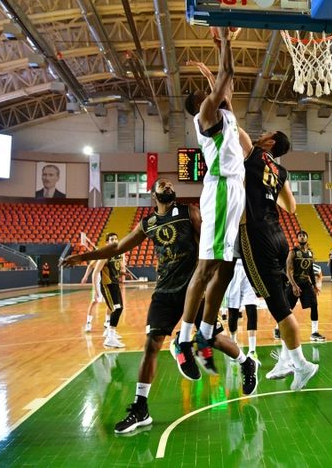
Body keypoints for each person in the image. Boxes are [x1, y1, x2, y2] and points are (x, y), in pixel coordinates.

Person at [61, 179, 259, 434]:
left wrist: (208, 283)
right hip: (164, 290)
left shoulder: (189, 212)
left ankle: (246, 362)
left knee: (215, 339)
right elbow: (119, 246)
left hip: (192, 289)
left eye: (170, 185)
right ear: (153, 194)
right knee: (151, 344)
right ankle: (141, 407)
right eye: (162, 184)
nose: (167, 186)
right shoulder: (148, 224)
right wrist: (83, 256)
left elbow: (205, 246)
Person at [174, 27, 251, 378]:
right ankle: (185, 339)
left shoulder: (225, 113)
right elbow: (229, 76)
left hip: (235, 191)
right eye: (209, 92)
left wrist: (217, 56)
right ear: (203, 103)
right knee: (207, 267)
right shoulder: (207, 115)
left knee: (227, 268)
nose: (217, 93)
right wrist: (226, 41)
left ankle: (205, 333)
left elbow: (227, 85)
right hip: (221, 190)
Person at [234, 131, 318, 390]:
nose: (261, 135)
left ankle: (302, 365)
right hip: (278, 235)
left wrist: (218, 92)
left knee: (279, 308)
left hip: (256, 235)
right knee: (280, 305)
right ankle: (285, 358)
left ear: (270, 143)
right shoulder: (279, 169)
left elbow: (233, 124)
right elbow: (291, 207)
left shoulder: (254, 154)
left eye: (266, 134)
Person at [286, 230, 325, 343]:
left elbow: (311, 272)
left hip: (306, 282)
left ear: (307, 238)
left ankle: (314, 333)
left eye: (304, 235)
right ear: (297, 239)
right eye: (300, 236)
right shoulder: (293, 252)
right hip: (295, 281)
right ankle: (278, 329)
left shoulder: (310, 253)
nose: (302, 237)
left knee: (314, 304)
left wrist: (314, 285)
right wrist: (293, 285)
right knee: (287, 308)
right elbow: (288, 271)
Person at [91, 233, 127, 348]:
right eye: (112, 239)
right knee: (117, 308)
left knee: (119, 308)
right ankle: (110, 337)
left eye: (116, 238)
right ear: (107, 242)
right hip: (107, 285)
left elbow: (115, 270)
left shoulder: (118, 254)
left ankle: (110, 332)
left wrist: (123, 273)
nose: (114, 240)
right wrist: (96, 291)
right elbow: (95, 272)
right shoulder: (105, 255)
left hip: (115, 284)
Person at [225, 258, 259, 362]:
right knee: (233, 314)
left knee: (252, 310)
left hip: (250, 269)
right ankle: (233, 343)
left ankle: (252, 350)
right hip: (232, 270)